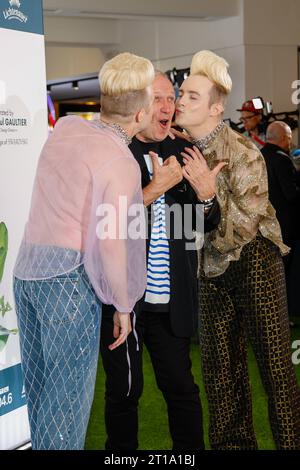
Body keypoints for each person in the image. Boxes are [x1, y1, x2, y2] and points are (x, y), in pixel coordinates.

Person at [13, 52, 155, 450]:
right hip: (67, 287)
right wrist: (123, 305)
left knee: (41, 401)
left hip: (27, 276)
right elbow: (111, 244)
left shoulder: (67, 129)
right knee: (66, 413)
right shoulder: (120, 162)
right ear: (141, 114)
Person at [175, 50, 300, 450]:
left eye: (192, 96)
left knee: (277, 370)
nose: (180, 100)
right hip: (209, 272)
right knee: (220, 375)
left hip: (256, 259)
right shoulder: (177, 153)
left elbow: (245, 227)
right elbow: (182, 226)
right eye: (182, 92)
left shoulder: (243, 152)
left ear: (215, 109)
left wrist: (208, 199)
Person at [100, 71, 223, 451]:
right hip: (125, 302)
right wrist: (156, 188)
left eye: (172, 98)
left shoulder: (184, 151)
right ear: (137, 106)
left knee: (182, 391)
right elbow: (107, 224)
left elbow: (201, 227)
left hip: (171, 302)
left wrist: (206, 198)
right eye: (158, 99)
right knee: (124, 393)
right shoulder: (115, 153)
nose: (168, 107)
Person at [261, 121, 299, 247]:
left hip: (264, 223)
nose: (290, 143)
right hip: (284, 225)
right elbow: (291, 194)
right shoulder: (282, 158)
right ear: (283, 138)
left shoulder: (259, 155)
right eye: (289, 138)